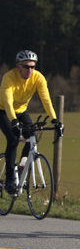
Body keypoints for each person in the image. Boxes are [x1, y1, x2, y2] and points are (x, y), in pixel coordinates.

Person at [0, 50, 63, 195]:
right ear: (18, 66)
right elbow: (8, 103)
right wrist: (14, 122)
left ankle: (22, 164)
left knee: (32, 135)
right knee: (13, 138)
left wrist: (55, 120)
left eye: (33, 67)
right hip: (3, 110)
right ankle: (10, 179)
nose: (30, 70)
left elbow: (46, 100)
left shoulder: (38, 78)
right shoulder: (9, 77)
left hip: (21, 110)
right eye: (26, 66)